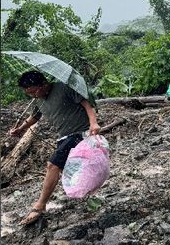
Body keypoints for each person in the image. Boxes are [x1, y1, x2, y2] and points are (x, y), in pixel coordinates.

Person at [9, 70, 101, 226]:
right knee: (71, 169)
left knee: (52, 165)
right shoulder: (38, 100)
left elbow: (87, 104)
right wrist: (21, 129)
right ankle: (87, 195)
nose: (33, 95)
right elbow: (35, 117)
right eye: (29, 93)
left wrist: (94, 123)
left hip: (80, 132)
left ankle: (40, 205)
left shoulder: (63, 88)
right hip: (63, 137)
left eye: (34, 91)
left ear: (44, 84)